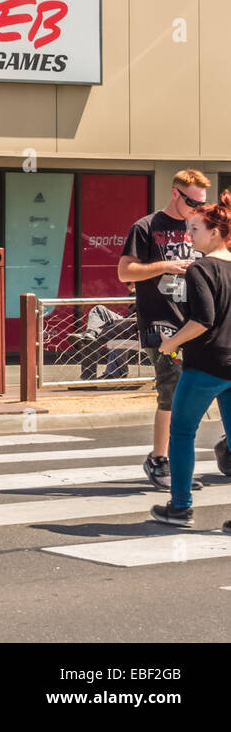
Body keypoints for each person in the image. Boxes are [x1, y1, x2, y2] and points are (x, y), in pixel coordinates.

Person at [118, 169, 209, 490]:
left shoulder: (198, 226)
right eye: (191, 201)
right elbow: (124, 272)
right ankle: (159, 458)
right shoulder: (146, 227)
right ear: (175, 194)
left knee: (205, 387)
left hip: (198, 321)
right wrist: (165, 266)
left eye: (202, 203)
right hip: (161, 322)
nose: (196, 208)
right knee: (172, 389)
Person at [150, 192, 231, 527]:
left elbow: (203, 321)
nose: (188, 236)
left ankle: (180, 507)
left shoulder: (200, 269)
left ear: (214, 232)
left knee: (182, 432)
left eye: (194, 229)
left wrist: (170, 344)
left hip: (205, 364)